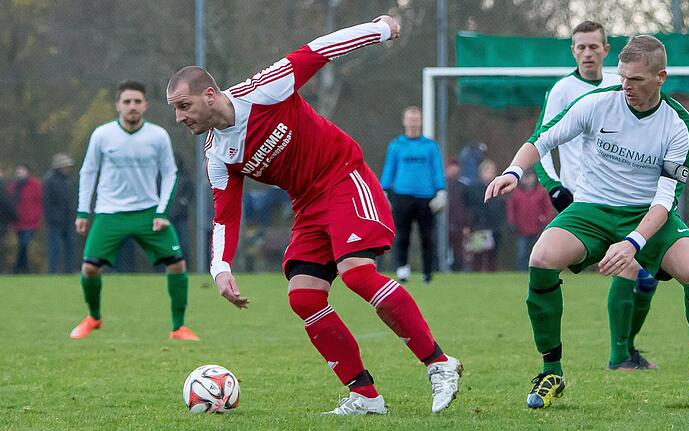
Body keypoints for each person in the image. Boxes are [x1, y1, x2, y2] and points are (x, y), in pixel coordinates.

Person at [166, 15, 462, 415]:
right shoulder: (217, 153)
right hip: (307, 204)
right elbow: (225, 215)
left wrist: (378, 29)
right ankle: (365, 396)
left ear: (211, 94)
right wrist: (221, 268)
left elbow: (319, 50)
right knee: (304, 296)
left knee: (357, 272)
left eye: (184, 106)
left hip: (343, 177)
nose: (180, 117)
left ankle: (439, 364)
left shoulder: (263, 90)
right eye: (175, 110)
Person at [485, 35, 689, 410]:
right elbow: (541, 139)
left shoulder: (679, 126)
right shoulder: (595, 104)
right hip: (591, 209)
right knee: (541, 259)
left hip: (647, 212)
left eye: (635, 79)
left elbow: (665, 199)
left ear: (660, 78)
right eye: (622, 77)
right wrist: (513, 170)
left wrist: (633, 242)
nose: (626, 86)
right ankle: (551, 371)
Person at [533, 20, 660, 370]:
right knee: (625, 271)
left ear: (607, 50)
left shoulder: (621, 85)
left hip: (628, 201)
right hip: (584, 204)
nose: (587, 53)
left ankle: (625, 350)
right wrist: (554, 186)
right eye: (580, 47)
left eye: (594, 47)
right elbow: (540, 141)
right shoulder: (561, 90)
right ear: (572, 51)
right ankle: (613, 356)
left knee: (644, 279)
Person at [71, 80, 197, 341]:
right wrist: (83, 212)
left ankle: (178, 327)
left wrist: (162, 212)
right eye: (127, 102)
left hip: (149, 213)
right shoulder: (102, 135)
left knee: (177, 265)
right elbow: (88, 171)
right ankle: (94, 317)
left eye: (137, 102)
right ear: (118, 105)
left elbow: (170, 173)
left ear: (145, 105)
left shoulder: (158, 135)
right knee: (90, 269)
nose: (132, 106)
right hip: (109, 213)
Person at [380, 106, 446, 283]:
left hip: (426, 197)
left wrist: (441, 190)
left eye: (416, 119)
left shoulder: (430, 146)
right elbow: (389, 169)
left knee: (427, 236)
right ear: (404, 121)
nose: (413, 122)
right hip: (402, 196)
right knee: (402, 235)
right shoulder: (396, 146)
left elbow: (437, 169)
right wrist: (383, 190)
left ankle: (427, 273)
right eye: (410, 119)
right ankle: (402, 270)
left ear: (421, 121)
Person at [463, 160, 505, 272]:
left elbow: (501, 207)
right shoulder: (473, 189)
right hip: (479, 227)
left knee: (493, 255)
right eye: (487, 171)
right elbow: (469, 207)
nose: (489, 174)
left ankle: (492, 275)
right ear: (481, 173)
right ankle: (477, 275)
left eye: (491, 171)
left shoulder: (500, 188)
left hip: (495, 227)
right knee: (478, 255)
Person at [506, 171, 553, 271]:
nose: (527, 180)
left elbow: (548, 209)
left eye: (529, 176)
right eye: (525, 177)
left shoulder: (541, 192)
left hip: (538, 229)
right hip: (521, 229)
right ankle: (521, 272)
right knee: (522, 253)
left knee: (537, 254)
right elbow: (511, 209)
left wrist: (545, 221)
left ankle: (537, 272)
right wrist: (512, 223)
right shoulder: (516, 193)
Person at [43, 153, 77, 273]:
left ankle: (69, 270)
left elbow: (70, 199)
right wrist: (52, 217)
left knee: (70, 246)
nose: (67, 168)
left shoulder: (67, 180)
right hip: (55, 220)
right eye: (65, 166)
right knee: (55, 247)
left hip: (67, 219)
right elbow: (47, 201)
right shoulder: (49, 180)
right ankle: (53, 271)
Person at [7, 164, 42, 273]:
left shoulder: (35, 185)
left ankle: (20, 268)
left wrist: (38, 217)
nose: (20, 173)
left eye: (22, 171)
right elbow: (10, 204)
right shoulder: (13, 187)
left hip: (31, 221)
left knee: (24, 244)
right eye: (18, 171)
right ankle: (23, 268)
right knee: (22, 245)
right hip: (18, 221)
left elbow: (40, 202)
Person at [445, 159, 468, 271]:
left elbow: (467, 207)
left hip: (459, 224)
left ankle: (458, 271)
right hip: (444, 225)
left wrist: (466, 224)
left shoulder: (463, 186)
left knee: (459, 252)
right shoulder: (441, 186)